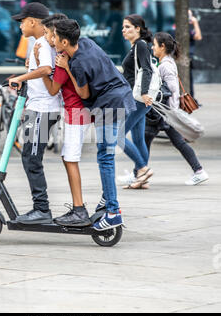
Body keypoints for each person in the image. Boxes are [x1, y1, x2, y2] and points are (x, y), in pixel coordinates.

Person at [53, 19, 136, 231]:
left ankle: (113, 211)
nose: (52, 41)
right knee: (106, 155)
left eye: (54, 37)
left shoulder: (76, 63)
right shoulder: (87, 42)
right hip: (121, 96)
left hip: (109, 104)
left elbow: (83, 93)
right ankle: (106, 200)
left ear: (64, 41)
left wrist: (67, 67)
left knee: (105, 158)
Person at [34, 13, 92, 227]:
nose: (49, 38)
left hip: (76, 112)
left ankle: (79, 209)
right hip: (78, 112)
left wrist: (41, 68)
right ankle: (79, 208)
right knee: (69, 158)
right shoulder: (73, 52)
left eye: (51, 34)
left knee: (70, 159)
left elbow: (52, 90)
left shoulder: (61, 60)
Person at [8, 2, 61, 225]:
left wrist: (20, 78)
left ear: (32, 21)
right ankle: (40, 208)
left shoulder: (41, 41)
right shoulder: (43, 43)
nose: (20, 26)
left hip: (43, 109)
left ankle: (41, 209)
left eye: (22, 21)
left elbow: (47, 70)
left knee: (31, 158)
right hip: (38, 108)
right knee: (29, 156)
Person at [145, 32, 209, 186]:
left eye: (155, 44)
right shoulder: (165, 62)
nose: (152, 47)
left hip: (166, 113)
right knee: (149, 140)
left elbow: (172, 88)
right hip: (165, 112)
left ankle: (140, 172)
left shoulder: (166, 65)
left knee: (146, 140)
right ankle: (139, 171)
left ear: (162, 46)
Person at [117, 14, 154, 189]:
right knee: (138, 139)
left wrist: (145, 92)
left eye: (128, 27)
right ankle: (140, 179)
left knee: (117, 135)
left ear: (138, 28)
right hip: (137, 97)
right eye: (123, 27)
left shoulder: (140, 45)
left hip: (139, 98)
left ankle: (142, 168)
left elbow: (146, 69)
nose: (124, 30)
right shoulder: (136, 46)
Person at [189, 10, 202, 99]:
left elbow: (198, 36)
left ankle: (191, 99)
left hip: (188, 57)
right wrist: (195, 23)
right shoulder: (183, 28)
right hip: (182, 57)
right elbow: (198, 36)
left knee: (189, 79)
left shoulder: (189, 29)